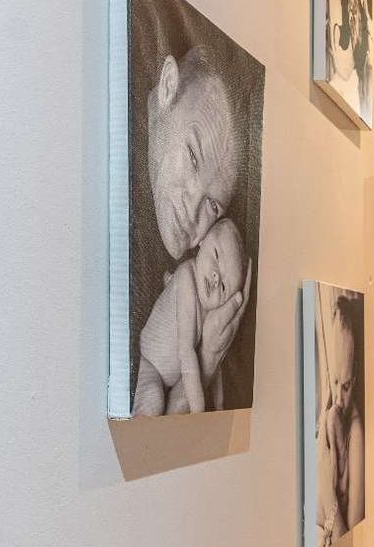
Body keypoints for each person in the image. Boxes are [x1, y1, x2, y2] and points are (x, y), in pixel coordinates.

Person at [133, 44, 255, 413]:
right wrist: (207, 359)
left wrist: (211, 356)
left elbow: (164, 433)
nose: (193, 206)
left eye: (213, 205)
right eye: (192, 156)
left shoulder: (208, 256)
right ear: (168, 85)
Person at [133, 219, 249, 416]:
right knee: (152, 403)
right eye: (216, 255)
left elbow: (217, 366)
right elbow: (186, 350)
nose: (216, 277)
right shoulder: (187, 276)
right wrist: (197, 412)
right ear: (202, 241)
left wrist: (220, 405)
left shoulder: (210, 307)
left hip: (178, 376)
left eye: (223, 287)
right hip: (152, 366)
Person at [316, 295, 365, 547]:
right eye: (335, 381)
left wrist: (328, 491)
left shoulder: (355, 431)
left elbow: (351, 537)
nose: (338, 397)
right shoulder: (328, 409)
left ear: (354, 380)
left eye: (345, 386)